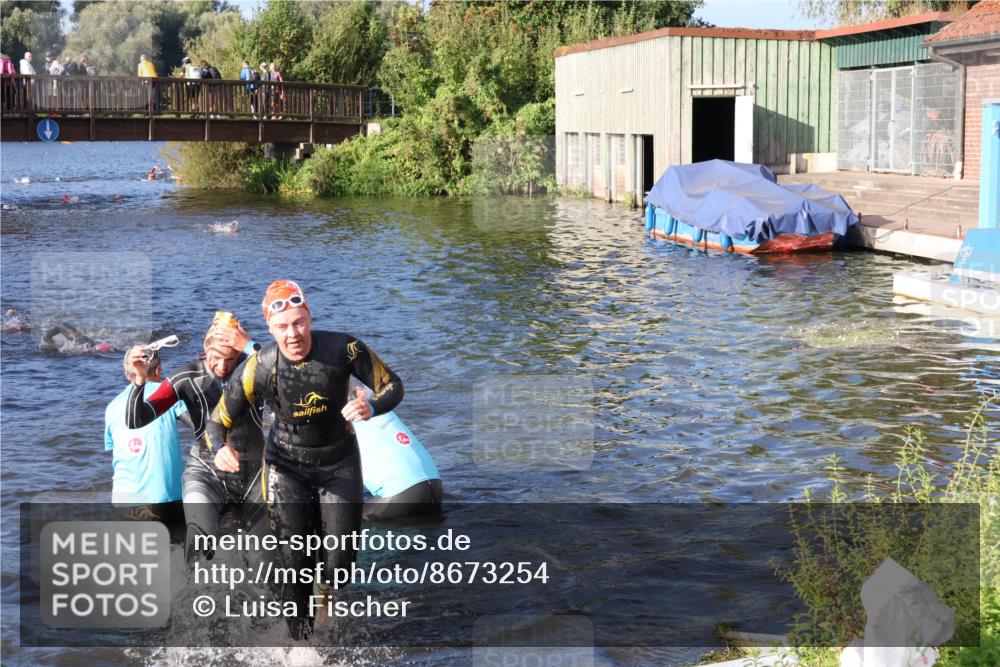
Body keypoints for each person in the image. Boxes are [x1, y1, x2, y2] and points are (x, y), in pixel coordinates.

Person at [205, 279, 404, 640]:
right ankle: (300, 644)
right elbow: (217, 420)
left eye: (298, 323)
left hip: (338, 464)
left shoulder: (344, 349)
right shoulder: (260, 367)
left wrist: (371, 406)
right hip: (286, 468)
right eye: (282, 327)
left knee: (340, 564)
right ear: (270, 328)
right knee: (295, 563)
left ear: (309, 318)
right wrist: (220, 448)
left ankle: (325, 597)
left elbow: (393, 385)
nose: (292, 334)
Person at [126, 312, 265, 562]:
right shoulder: (187, 377)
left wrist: (250, 345)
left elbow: (285, 368)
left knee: (262, 556)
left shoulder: (254, 370)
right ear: (205, 349)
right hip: (204, 473)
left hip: (253, 475)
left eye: (230, 359)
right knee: (199, 541)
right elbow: (137, 419)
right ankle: (191, 595)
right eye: (215, 358)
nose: (222, 367)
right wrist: (139, 380)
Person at [106, 347, 189, 524]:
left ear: (127, 374)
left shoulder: (111, 407)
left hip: (123, 503)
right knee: (176, 549)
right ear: (158, 370)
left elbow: (117, 449)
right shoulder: (169, 395)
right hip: (164, 501)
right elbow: (201, 425)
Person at [351, 383, 443, 521]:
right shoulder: (380, 407)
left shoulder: (342, 421)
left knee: (341, 521)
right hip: (436, 487)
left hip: (401, 494)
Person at [41, 322, 116, 353]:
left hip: (83, 342)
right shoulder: (84, 344)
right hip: (85, 341)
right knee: (62, 325)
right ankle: (47, 338)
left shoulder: (81, 344)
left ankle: (47, 338)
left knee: (61, 325)